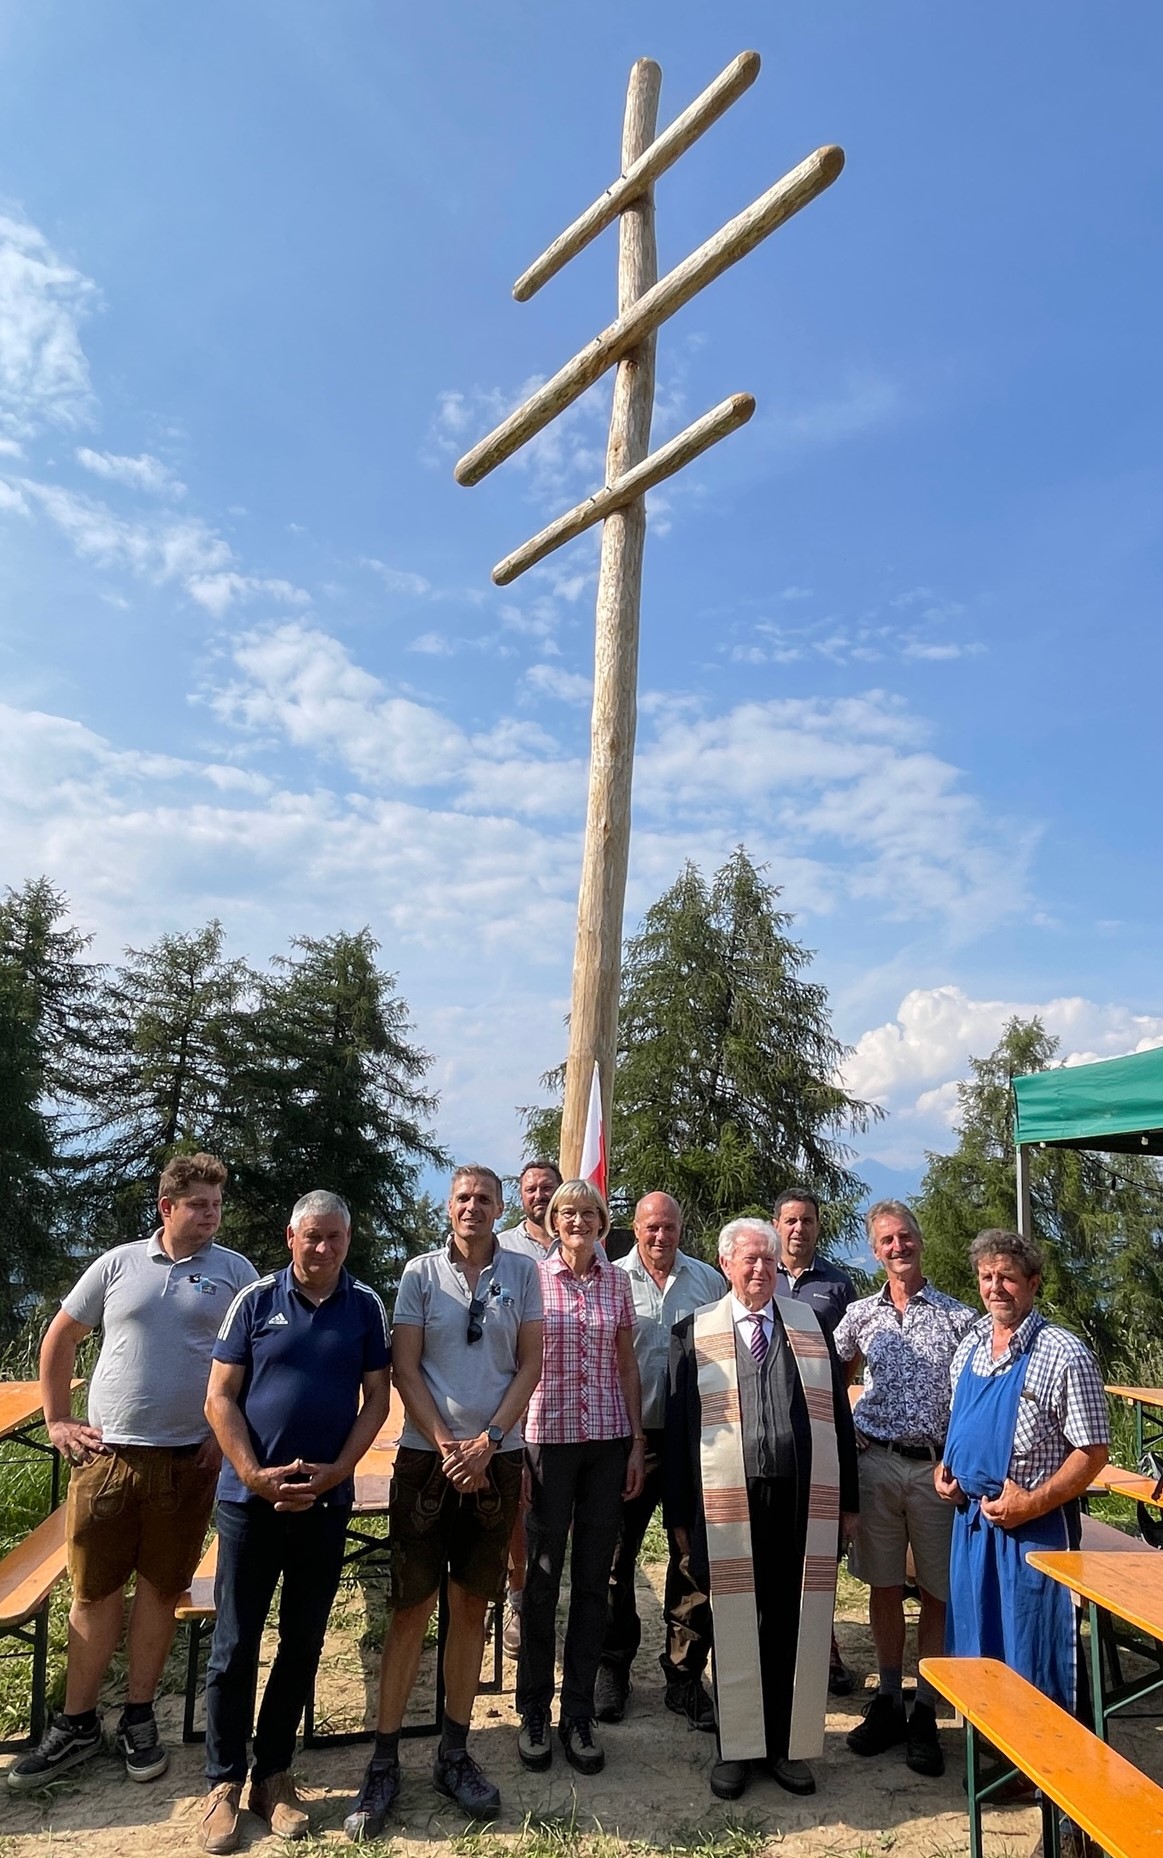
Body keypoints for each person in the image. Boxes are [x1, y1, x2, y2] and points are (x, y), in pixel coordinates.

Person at [7, 1154, 256, 1795]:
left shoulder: (236, 1274)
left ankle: (139, 1717)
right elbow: (60, 1337)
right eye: (199, 1204)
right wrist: (58, 1418)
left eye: (217, 1205)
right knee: (93, 1592)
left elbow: (253, 1363)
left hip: (188, 1461)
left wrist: (225, 1439)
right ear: (166, 1207)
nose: (211, 1216)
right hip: (105, 1458)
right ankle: (77, 1722)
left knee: (160, 1590)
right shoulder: (117, 1264)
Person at [343, 1166, 542, 1841]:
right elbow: (404, 1367)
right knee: (409, 1608)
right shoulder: (419, 1273)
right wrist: (448, 1442)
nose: (473, 1207)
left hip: (497, 1460)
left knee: (470, 1607)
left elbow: (530, 1367)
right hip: (427, 1460)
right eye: (462, 1197)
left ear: (500, 1207)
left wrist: (487, 1441)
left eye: (485, 1198)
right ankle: (384, 1759)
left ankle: (453, 1754)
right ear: (448, 1206)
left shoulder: (523, 1274)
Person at [199, 1192, 391, 1854]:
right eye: (313, 1237)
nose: (324, 1248)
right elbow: (219, 1396)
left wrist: (339, 1471)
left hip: (324, 1504)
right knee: (234, 1644)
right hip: (248, 1501)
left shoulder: (363, 1306)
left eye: (335, 1237)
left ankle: (272, 1776)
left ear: (347, 1238)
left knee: (303, 1640)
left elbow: (377, 1401)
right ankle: (222, 1783)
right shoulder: (255, 1300)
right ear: (290, 1237)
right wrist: (252, 1473)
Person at [666, 1218, 858, 1802]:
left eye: (768, 1261)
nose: (759, 1270)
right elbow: (679, 1429)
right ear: (726, 1265)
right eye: (748, 1260)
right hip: (728, 1501)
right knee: (732, 1620)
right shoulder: (694, 1332)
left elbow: (837, 1419)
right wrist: (678, 1515)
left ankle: (784, 1744)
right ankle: (735, 1746)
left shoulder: (810, 1327)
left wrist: (847, 1501)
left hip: (800, 1496)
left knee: (788, 1618)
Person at [832, 1201, 976, 1779]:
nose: (899, 1247)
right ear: (875, 1250)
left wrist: (959, 1461)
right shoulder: (860, 1315)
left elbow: (971, 1401)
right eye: (887, 1240)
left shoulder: (958, 1318)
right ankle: (889, 1699)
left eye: (906, 1236)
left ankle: (926, 1707)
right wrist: (851, 1425)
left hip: (935, 1469)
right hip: (876, 1464)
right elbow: (832, 1374)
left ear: (921, 1240)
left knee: (937, 1590)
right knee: (885, 1582)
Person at [937, 1229, 1108, 1711]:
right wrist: (946, 1471)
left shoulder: (1063, 1352)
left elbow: (1092, 1451)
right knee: (977, 1641)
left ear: (1033, 1283)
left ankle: (1037, 1770)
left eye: (1007, 1278)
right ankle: (989, 1751)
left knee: (1032, 1646)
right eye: (986, 1277)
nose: (995, 1288)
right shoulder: (972, 1341)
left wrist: (1030, 1502)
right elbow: (961, 1419)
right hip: (971, 1525)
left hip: (1035, 1531)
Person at [516, 1180, 645, 1778]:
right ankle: (534, 1711)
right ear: (551, 1218)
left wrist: (637, 1443)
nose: (577, 1221)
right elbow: (521, 1365)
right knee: (542, 1579)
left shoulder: (618, 1281)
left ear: (601, 1221)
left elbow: (626, 1364)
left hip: (607, 1444)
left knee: (595, 1580)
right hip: (548, 1443)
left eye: (587, 1213)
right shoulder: (532, 1279)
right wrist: (514, 1446)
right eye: (566, 1212)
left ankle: (579, 1713)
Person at [594, 1191, 723, 1730]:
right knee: (614, 1559)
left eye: (669, 1227)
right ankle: (612, 1665)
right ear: (634, 1228)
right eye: (650, 1228)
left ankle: (684, 1675)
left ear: (681, 1228)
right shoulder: (613, 1278)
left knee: (693, 1560)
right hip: (629, 1438)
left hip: (695, 1442)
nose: (660, 1237)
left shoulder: (709, 1283)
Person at [772, 1186, 857, 1695]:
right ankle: (777, 1645)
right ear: (776, 1225)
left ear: (817, 1227)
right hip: (769, 1430)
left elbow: (847, 1360)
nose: (798, 1229)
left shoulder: (837, 1284)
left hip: (820, 1429)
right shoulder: (759, 1274)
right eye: (790, 1221)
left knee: (818, 1547)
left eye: (807, 1221)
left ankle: (823, 1647)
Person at [497, 1158, 561, 1655]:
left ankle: (556, 1601)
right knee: (520, 1504)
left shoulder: (584, 1240)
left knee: (564, 1508)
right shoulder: (503, 1249)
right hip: (517, 1394)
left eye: (548, 1188)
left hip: (569, 1396)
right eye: (531, 1189)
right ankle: (519, 1599)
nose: (540, 1195)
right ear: (519, 1197)